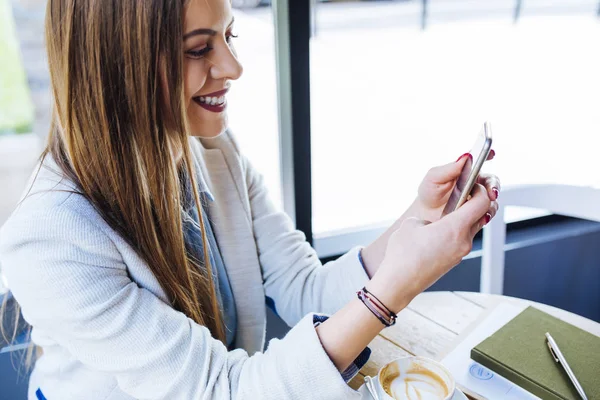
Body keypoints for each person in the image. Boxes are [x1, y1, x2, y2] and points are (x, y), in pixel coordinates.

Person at [0, 0, 500, 399]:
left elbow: (307, 288)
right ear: (116, 66)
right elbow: (223, 390)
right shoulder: (50, 240)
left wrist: (420, 217)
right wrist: (393, 288)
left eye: (229, 35)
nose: (233, 67)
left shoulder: (214, 148)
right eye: (199, 49)